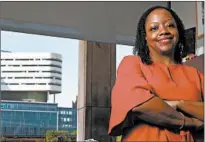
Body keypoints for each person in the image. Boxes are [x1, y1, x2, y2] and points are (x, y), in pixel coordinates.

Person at [108, 6, 204, 141]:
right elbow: (140, 106)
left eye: (170, 25)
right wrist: (190, 122)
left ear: (178, 32)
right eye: (154, 28)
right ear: (145, 37)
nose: (164, 31)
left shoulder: (195, 74)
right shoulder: (132, 64)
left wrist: (179, 104)